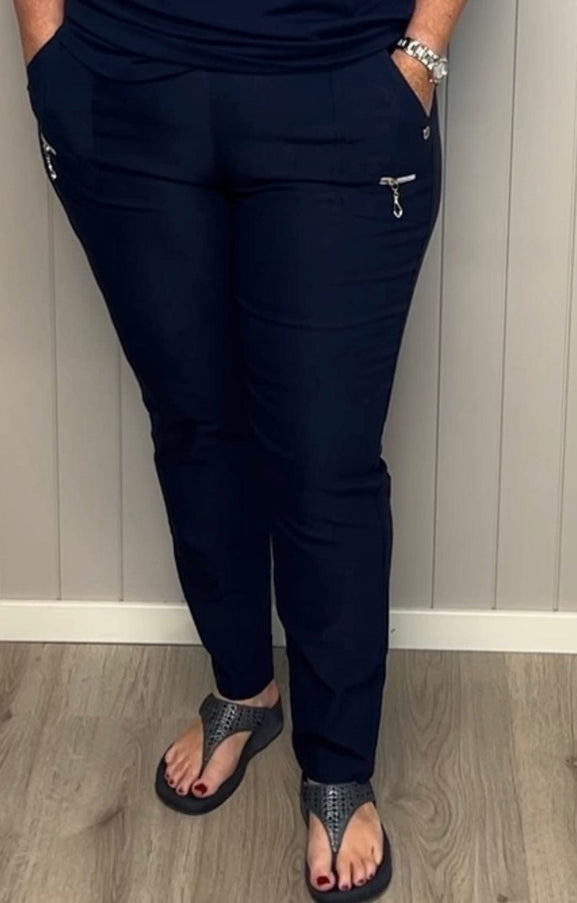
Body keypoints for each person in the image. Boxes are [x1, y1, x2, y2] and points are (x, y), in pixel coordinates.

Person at [14, 0, 468, 898]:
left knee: (323, 462)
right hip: (121, 81)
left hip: (338, 85)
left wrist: (420, 54)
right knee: (193, 424)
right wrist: (45, 50)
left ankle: (337, 763)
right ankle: (242, 685)